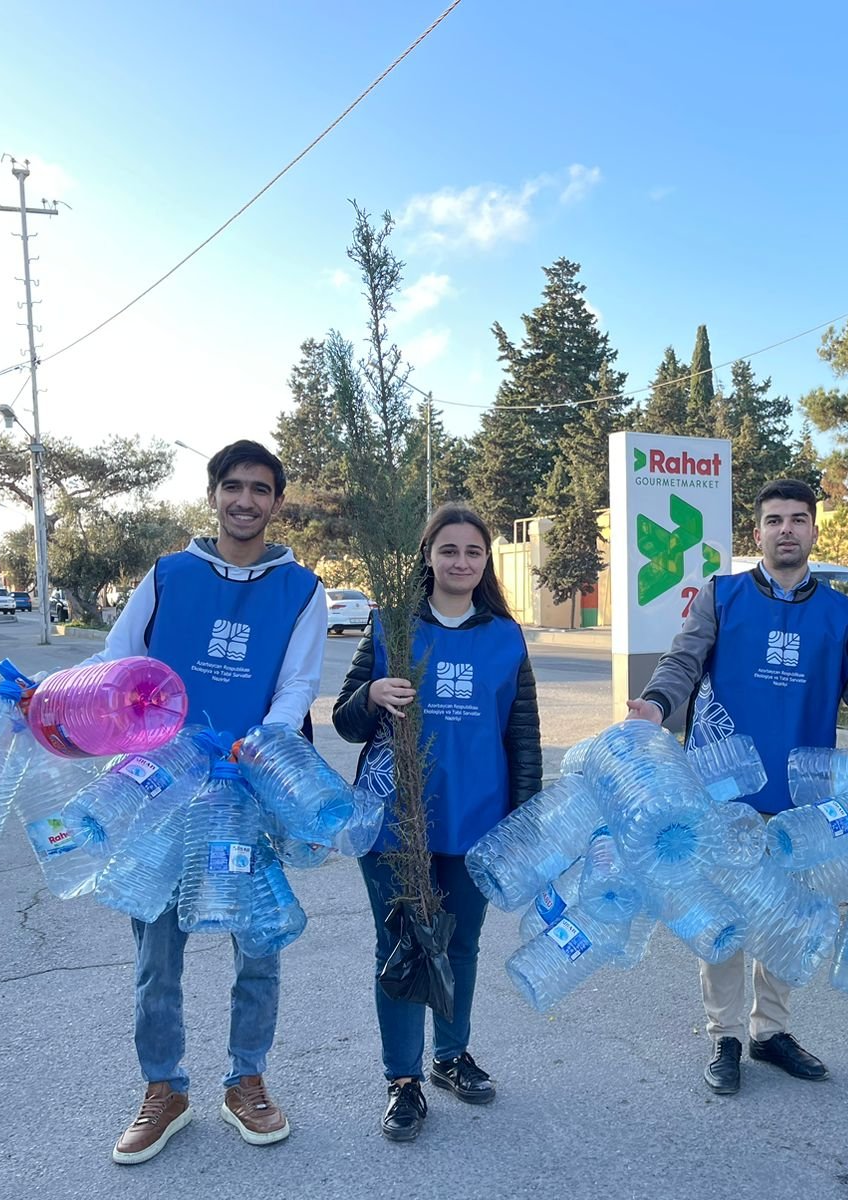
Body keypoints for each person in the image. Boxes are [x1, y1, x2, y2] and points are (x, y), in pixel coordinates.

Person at [627, 478, 848, 1096]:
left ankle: (771, 1030)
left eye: (798, 519)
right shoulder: (723, 595)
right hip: (723, 789)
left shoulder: (838, 610)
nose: (787, 530)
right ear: (758, 532)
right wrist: (657, 706)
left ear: (813, 530)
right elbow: (683, 662)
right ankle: (725, 1036)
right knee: (723, 915)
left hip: (803, 797)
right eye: (775, 520)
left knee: (787, 914)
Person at [91, 440, 326, 1164]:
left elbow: (297, 684)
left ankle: (245, 1079)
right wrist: (61, 704)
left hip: (247, 791)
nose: (246, 501)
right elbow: (115, 662)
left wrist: (260, 744)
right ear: (214, 494)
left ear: (277, 502)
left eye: (260, 489)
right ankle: (165, 1089)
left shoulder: (302, 590)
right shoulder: (167, 576)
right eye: (234, 487)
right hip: (163, 790)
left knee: (257, 946)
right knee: (157, 955)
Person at [332, 503, 541, 1143]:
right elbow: (344, 721)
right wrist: (370, 698)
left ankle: (451, 1056)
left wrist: (525, 820)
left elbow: (523, 737)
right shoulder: (391, 625)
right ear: (428, 556)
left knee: (461, 943)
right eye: (448, 550)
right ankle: (403, 1081)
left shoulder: (505, 636)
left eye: (473, 552)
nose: (461, 562)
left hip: (476, 822)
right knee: (399, 946)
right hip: (396, 822)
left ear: (487, 563)